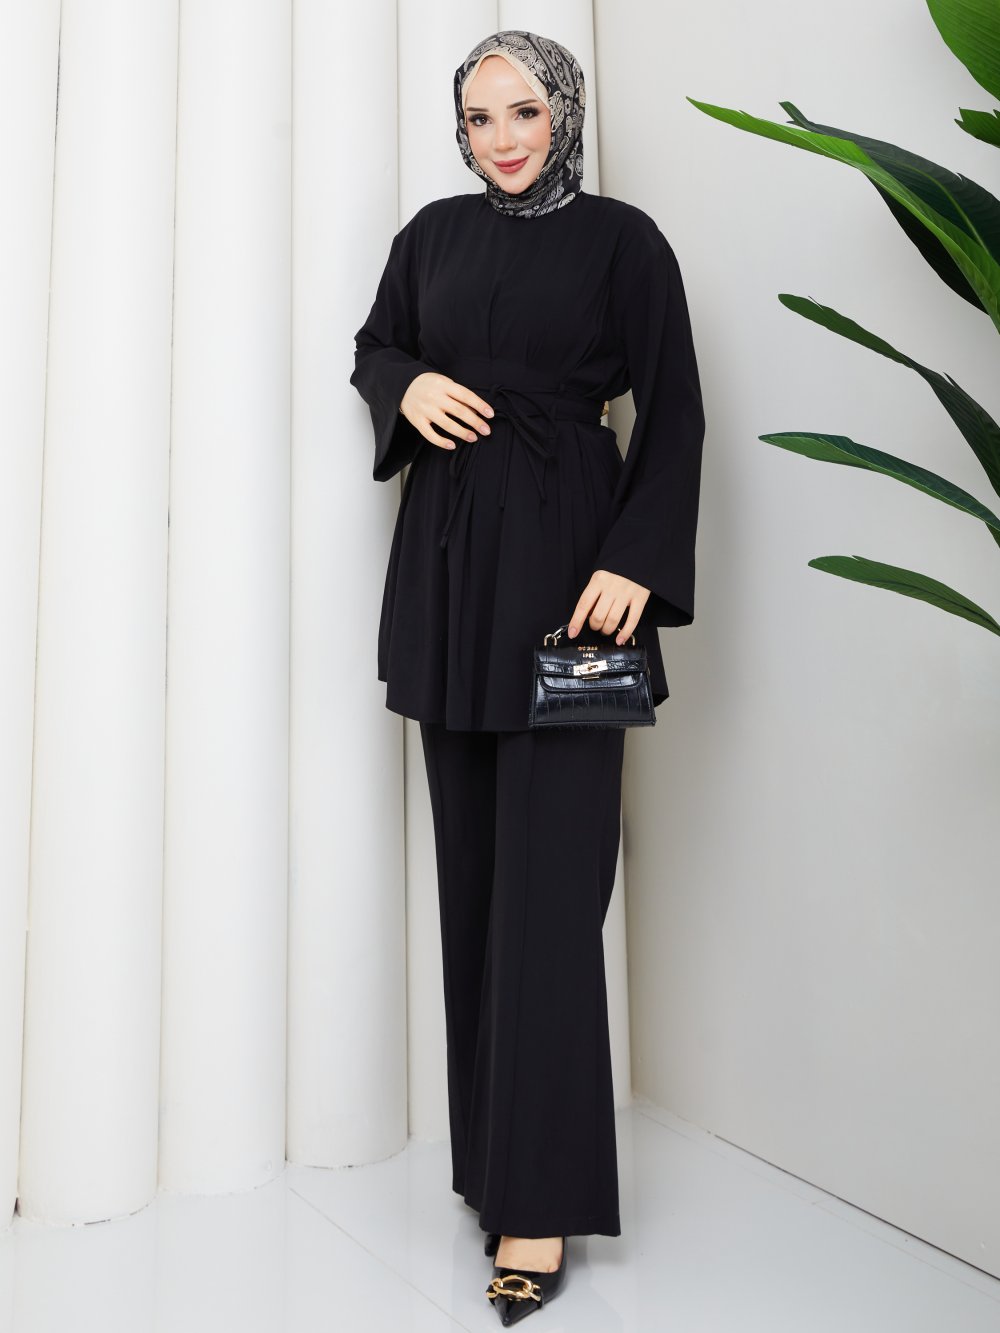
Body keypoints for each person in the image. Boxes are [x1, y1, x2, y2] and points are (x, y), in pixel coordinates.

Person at [349, 28, 705, 1325]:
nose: (500, 138)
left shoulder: (625, 244)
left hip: (570, 581)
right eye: (478, 117)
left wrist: (635, 560)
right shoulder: (432, 237)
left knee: (553, 897)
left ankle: (540, 1200)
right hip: (449, 582)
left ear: (564, 111)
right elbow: (376, 346)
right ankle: (492, 1166)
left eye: (522, 112)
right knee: (476, 886)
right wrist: (407, 384)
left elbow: (675, 411)